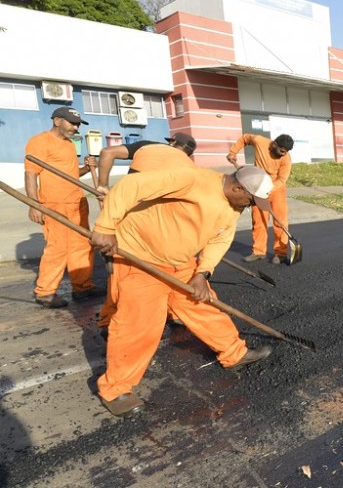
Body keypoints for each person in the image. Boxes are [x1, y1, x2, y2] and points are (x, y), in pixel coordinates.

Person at [89, 166, 276, 416]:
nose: (251, 206)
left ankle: (234, 354)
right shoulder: (190, 179)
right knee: (139, 326)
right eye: (251, 201)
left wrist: (203, 273)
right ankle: (115, 389)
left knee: (206, 306)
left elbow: (220, 239)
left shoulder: (234, 207)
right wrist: (105, 227)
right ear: (238, 188)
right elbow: (129, 187)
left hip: (182, 262)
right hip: (140, 257)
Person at [94, 132, 199, 329]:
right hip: (159, 223)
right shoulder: (189, 167)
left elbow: (107, 152)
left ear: (173, 143)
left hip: (132, 218)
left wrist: (103, 186)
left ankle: (111, 318)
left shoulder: (149, 146)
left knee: (124, 271)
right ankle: (173, 311)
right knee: (171, 267)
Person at [24, 106, 101, 308]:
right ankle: (45, 293)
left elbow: (71, 175)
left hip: (77, 202)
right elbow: (31, 173)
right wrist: (35, 205)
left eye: (77, 124)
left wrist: (88, 166)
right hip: (55, 204)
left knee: (82, 246)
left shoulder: (68, 144)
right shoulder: (40, 141)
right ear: (57, 121)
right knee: (57, 248)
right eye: (72, 123)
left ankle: (82, 287)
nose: (75, 128)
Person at [226, 133, 294, 264]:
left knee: (280, 220)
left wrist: (268, 189)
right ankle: (258, 251)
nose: (283, 154)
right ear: (274, 144)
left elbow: (282, 179)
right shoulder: (260, 141)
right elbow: (245, 138)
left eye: (285, 152)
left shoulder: (286, 159)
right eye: (281, 151)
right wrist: (233, 152)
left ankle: (280, 253)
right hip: (258, 186)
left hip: (276, 188)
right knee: (258, 220)